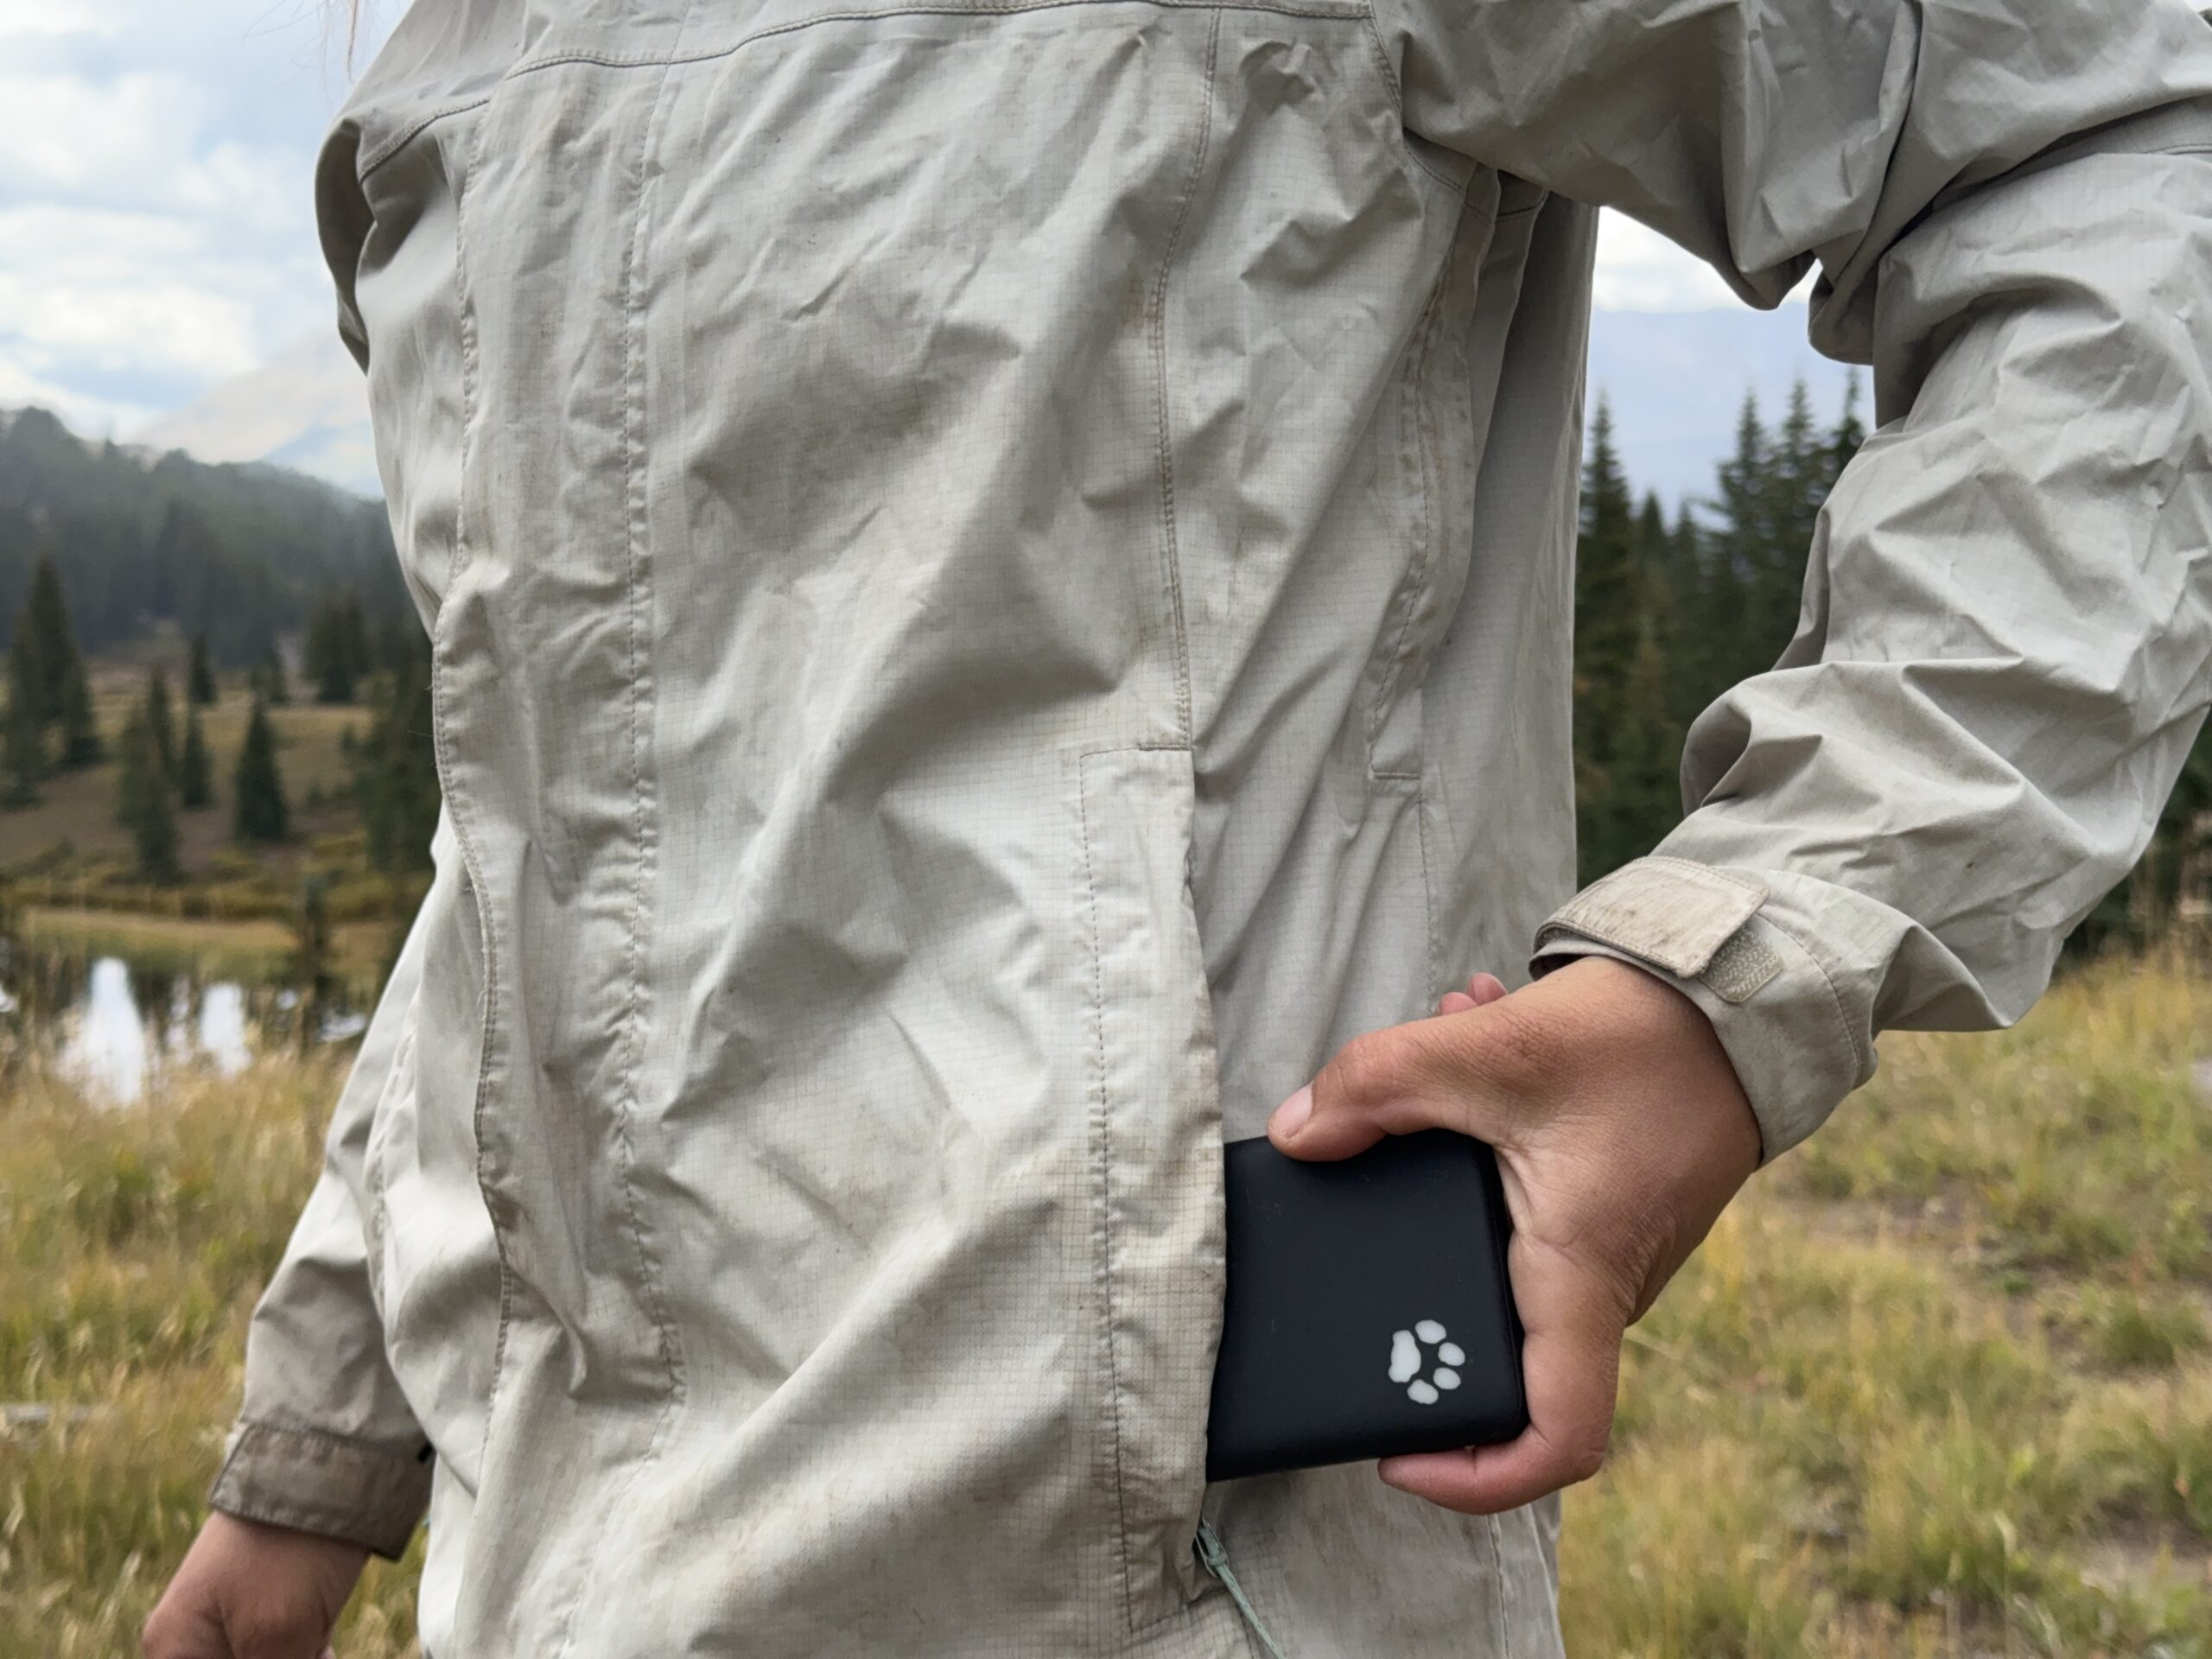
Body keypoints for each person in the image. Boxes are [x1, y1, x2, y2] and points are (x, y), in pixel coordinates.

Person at [143, 1, 2212, 1654]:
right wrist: (319, 1450)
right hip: (547, 1580)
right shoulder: (449, 63)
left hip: (1158, 1588)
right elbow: (539, 829)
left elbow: (2098, 138)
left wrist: (1748, 962)